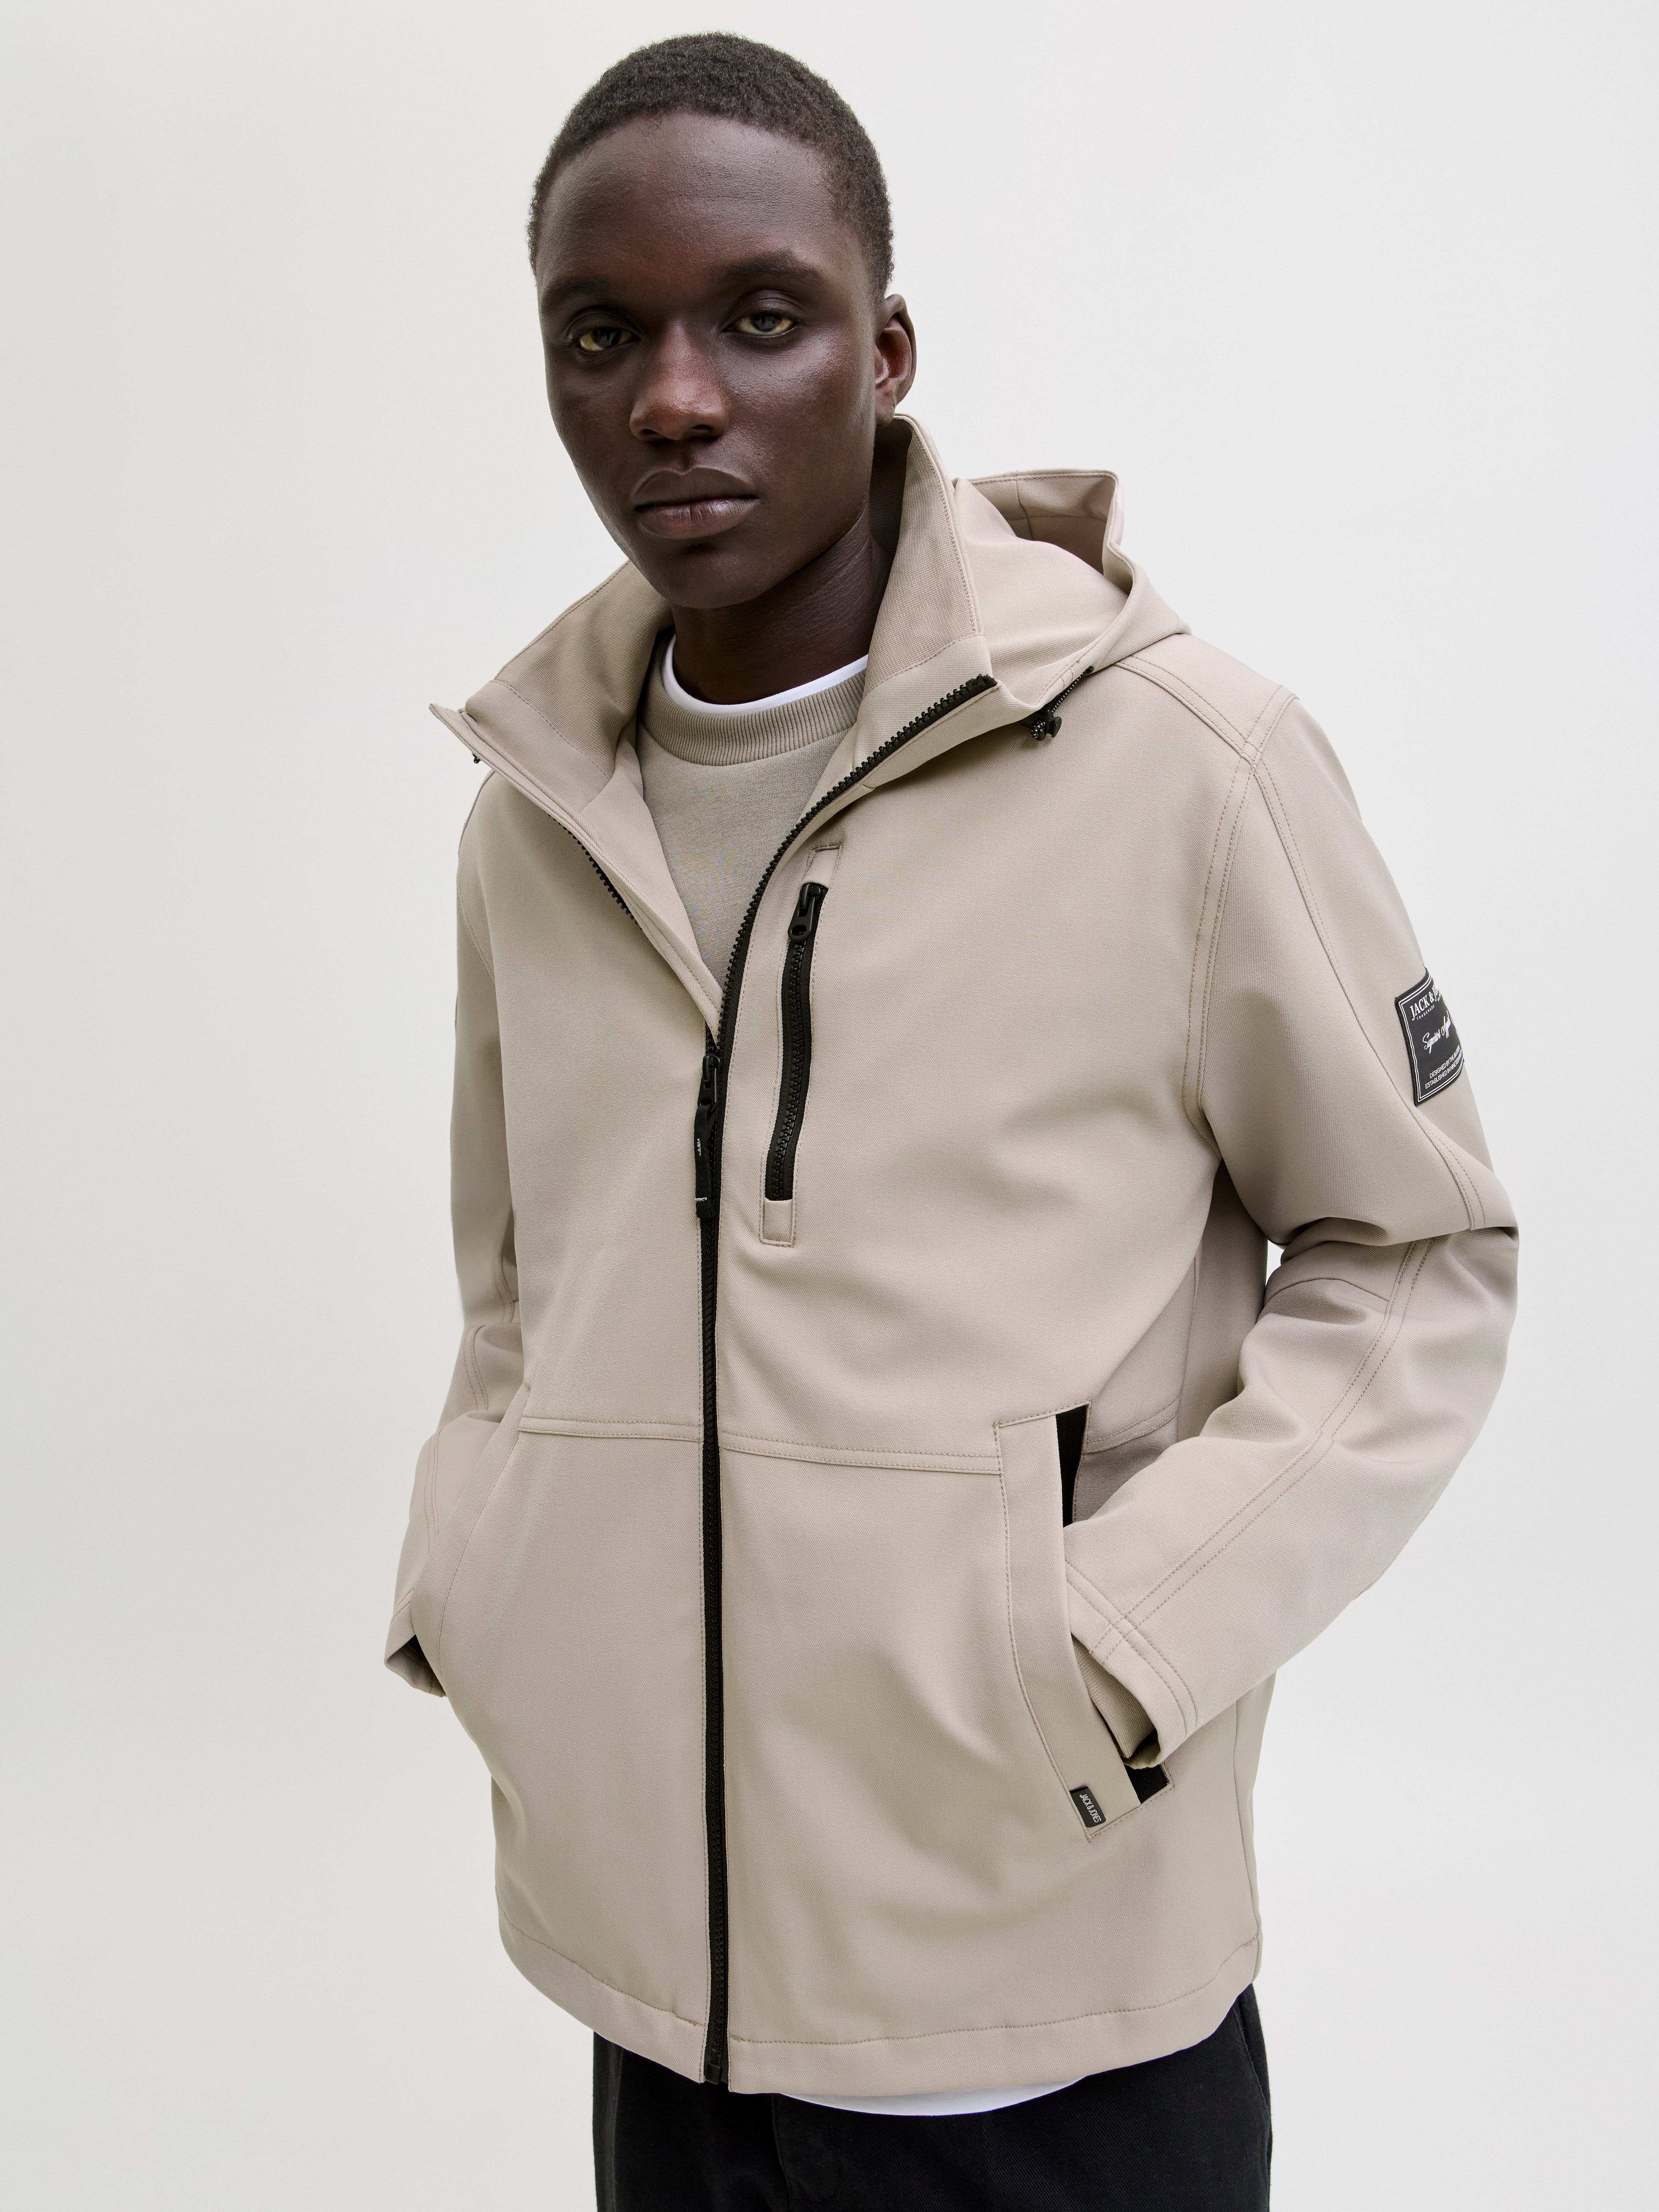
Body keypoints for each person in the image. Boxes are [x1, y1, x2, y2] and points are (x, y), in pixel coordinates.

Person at [384, 33, 1517, 2210]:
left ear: (888, 352)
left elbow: (1422, 1249)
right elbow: (517, 1287)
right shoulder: (536, 821)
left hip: (1055, 2013)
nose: (675, 399)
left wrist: (1117, 1648)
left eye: (761, 317)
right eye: (601, 336)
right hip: (661, 1998)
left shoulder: (1186, 764)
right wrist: (485, 1575)